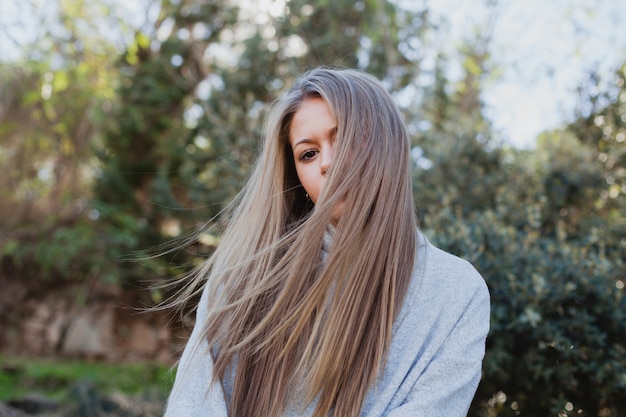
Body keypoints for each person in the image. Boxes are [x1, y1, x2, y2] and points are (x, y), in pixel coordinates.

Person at [164, 67, 490, 417]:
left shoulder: (457, 291)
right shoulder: (243, 279)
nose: (328, 163)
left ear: (390, 142)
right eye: (308, 154)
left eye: (345, 137)